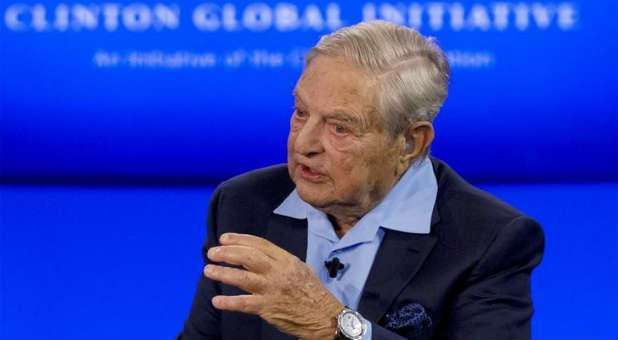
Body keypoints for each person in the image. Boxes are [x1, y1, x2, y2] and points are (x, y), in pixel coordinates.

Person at [179, 21, 544, 340]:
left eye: (340, 128)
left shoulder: (488, 240)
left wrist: (334, 326)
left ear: (409, 142)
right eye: (300, 112)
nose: (303, 144)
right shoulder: (243, 204)